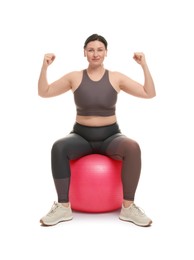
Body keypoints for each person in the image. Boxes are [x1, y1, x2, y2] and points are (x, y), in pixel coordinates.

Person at [38, 33, 156, 227]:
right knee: (58, 147)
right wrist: (44, 67)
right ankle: (63, 207)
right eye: (91, 50)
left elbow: (149, 93)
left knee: (132, 147)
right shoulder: (74, 77)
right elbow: (44, 92)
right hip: (81, 136)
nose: (95, 54)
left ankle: (128, 207)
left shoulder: (116, 78)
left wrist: (144, 65)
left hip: (110, 136)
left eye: (100, 50)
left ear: (106, 52)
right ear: (84, 52)